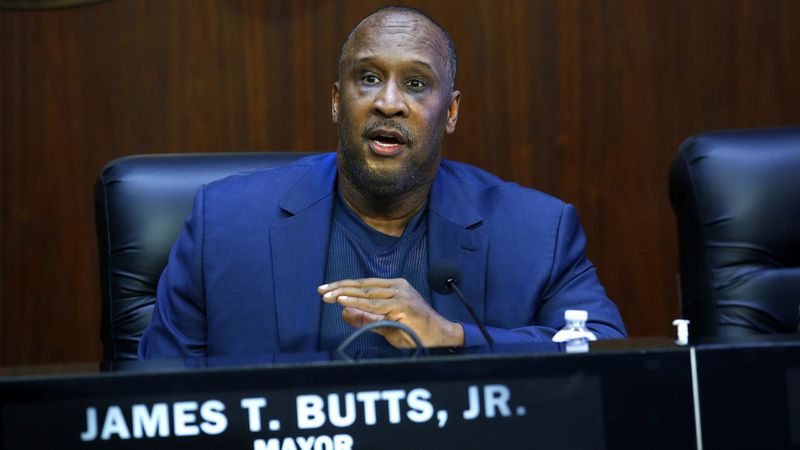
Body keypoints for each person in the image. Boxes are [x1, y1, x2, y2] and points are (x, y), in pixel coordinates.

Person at [139, 6, 626, 364]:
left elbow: (607, 352)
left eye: (416, 84)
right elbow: (155, 396)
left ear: (451, 112)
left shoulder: (537, 231)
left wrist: (451, 334)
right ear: (336, 101)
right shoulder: (225, 223)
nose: (388, 103)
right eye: (368, 78)